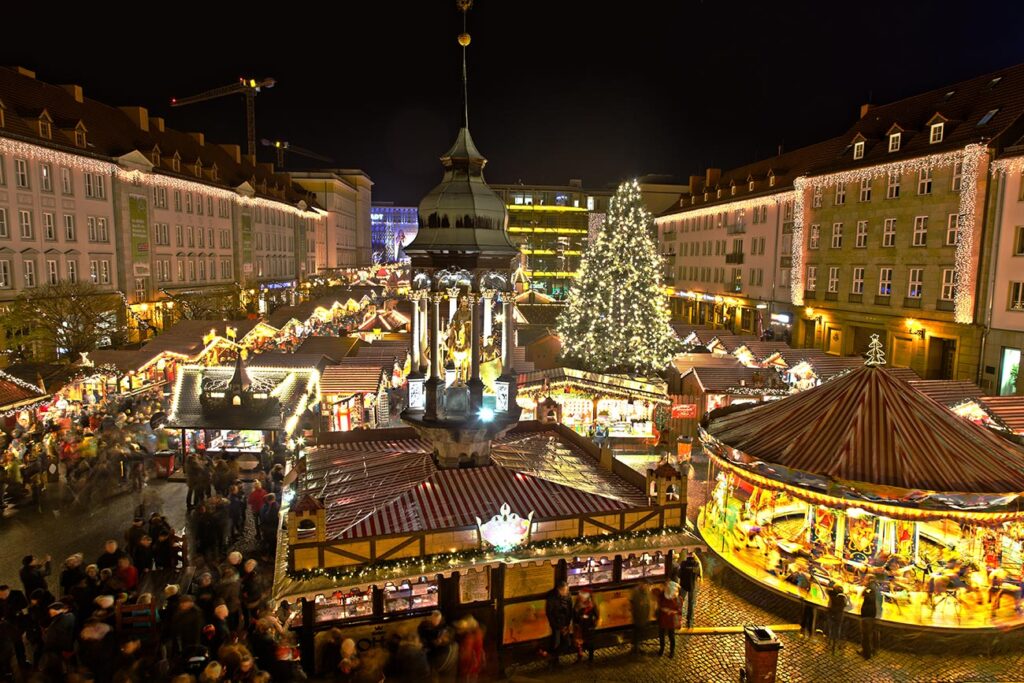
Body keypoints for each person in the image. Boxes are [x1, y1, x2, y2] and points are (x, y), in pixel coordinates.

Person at [544, 580, 573, 667]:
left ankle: (552, 657)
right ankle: (554, 662)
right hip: (556, 624)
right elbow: (549, 613)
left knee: (567, 643)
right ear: (559, 590)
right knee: (555, 642)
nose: (566, 592)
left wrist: (567, 623)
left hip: (565, 623)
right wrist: (556, 625)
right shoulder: (552, 597)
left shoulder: (568, 595)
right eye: (565, 590)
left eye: (567, 590)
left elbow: (570, 609)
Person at [657, 580, 683, 658]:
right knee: (661, 636)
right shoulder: (662, 595)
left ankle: (672, 651)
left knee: (671, 636)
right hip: (663, 619)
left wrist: (671, 611)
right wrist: (663, 609)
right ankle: (661, 649)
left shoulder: (679, 599)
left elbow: (679, 611)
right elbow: (659, 603)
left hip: (671, 621)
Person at [677, 550, 703, 629]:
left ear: (687, 555)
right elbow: (698, 574)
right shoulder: (696, 564)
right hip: (692, 586)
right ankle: (689, 621)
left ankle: (678, 620)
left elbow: (679, 574)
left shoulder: (683, 564)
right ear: (693, 555)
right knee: (691, 604)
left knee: (680, 602)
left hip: (684, 585)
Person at [860, 577, 882, 659]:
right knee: (872, 635)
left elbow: (864, 594)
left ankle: (866, 653)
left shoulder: (870, 590)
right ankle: (873, 651)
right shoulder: (877, 592)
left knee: (865, 635)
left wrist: (866, 587)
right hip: (874, 615)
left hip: (867, 615)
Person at [573, 589, 597, 663]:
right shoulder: (577, 605)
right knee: (578, 643)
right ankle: (580, 656)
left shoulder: (591, 606)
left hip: (588, 628)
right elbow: (575, 615)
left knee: (590, 644)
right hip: (579, 628)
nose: (581, 598)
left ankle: (591, 658)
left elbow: (596, 616)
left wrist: (593, 624)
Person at [629, 582, 651, 655]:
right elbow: (633, 604)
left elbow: (647, 605)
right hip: (639, 617)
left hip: (643, 617)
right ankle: (636, 649)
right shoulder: (637, 593)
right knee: (637, 634)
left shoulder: (645, 592)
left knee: (640, 633)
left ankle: (637, 648)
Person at [826, 584, 848, 654]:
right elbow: (846, 605)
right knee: (837, 629)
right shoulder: (843, 597)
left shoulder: (831, 594)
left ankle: (829, 643)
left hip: (832, 613)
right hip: (839, 615)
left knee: (830, 628)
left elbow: (827, 590)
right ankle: (837, 644)